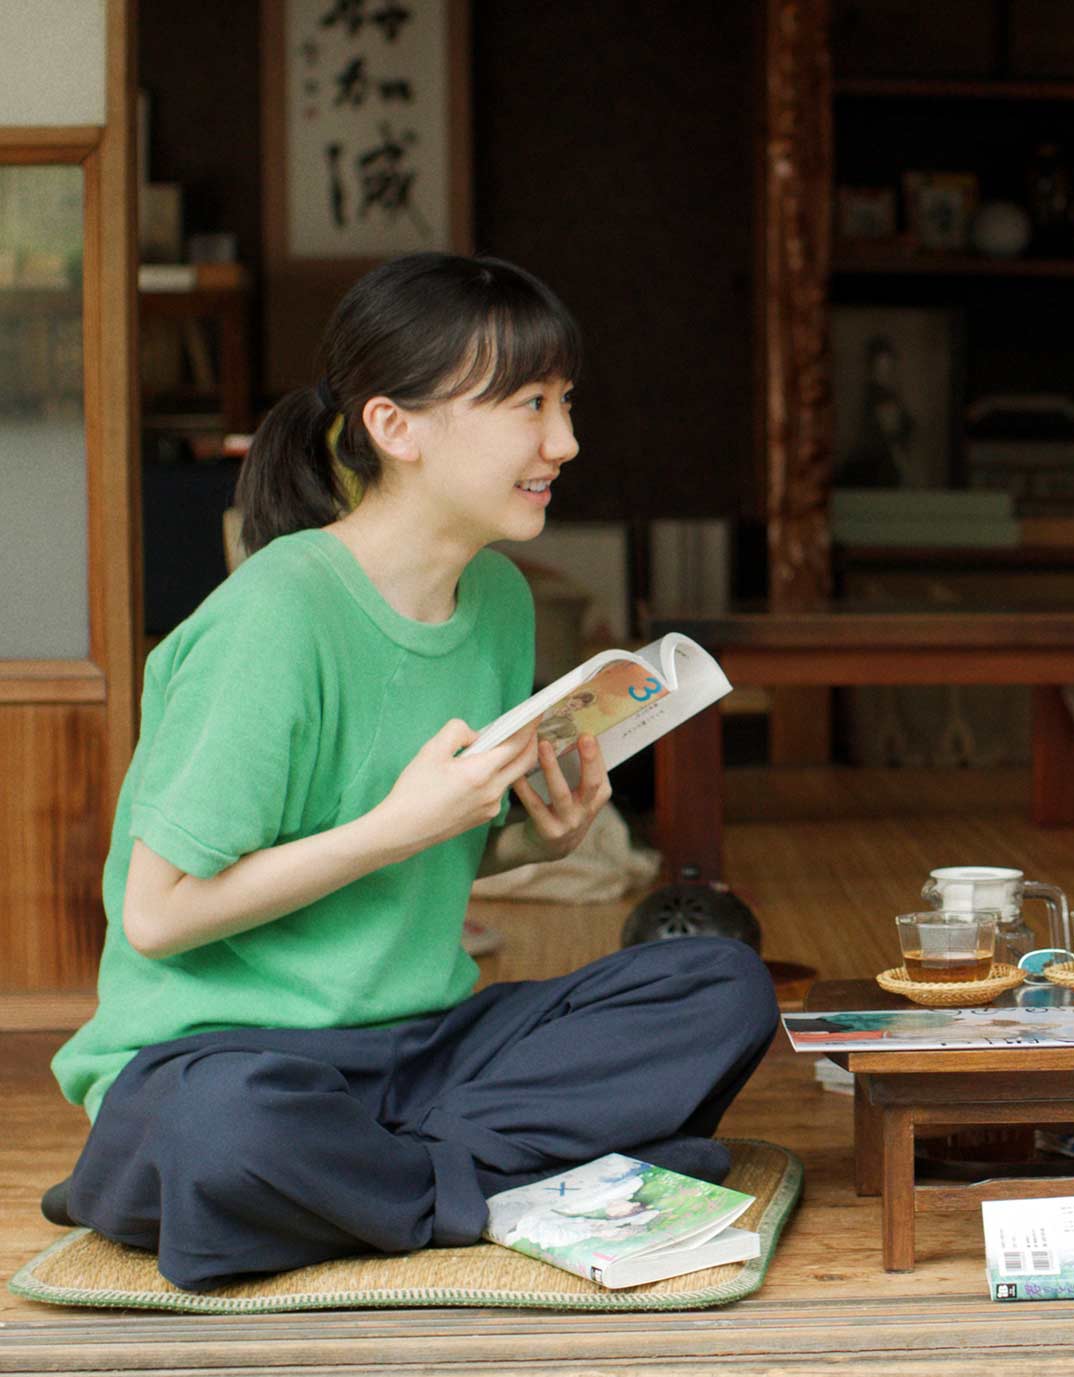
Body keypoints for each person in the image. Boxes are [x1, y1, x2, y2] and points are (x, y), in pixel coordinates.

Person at [46, 252, 778, 1291]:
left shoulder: (500, 600)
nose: (563, 442)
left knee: (720, 986)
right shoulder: (276, 615)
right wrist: (398, 826)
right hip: (225, 1063)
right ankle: (501, 1185)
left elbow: (423, 857)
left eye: (564, 402)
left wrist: (534, 832)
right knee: (220, 1130)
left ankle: (388, 1190)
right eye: (528, 404)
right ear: (396, 427)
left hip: (422, 1049)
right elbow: (157, 916)